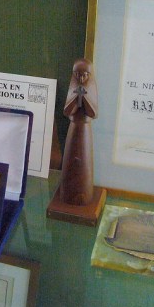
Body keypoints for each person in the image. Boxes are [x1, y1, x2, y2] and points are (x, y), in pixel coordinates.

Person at [60, 58, 98, 206]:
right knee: (71, 162)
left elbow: (93, 113)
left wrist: (84, 97)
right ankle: (68, 194)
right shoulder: (74, 88)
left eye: (84, 75)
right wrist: (76, 97)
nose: (81, 78)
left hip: (85, 130)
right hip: (74, 127)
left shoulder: (91, 88)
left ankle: (83, 195)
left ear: (90, 74)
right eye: (77, 75)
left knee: (83, 165)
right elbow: (67, 111)